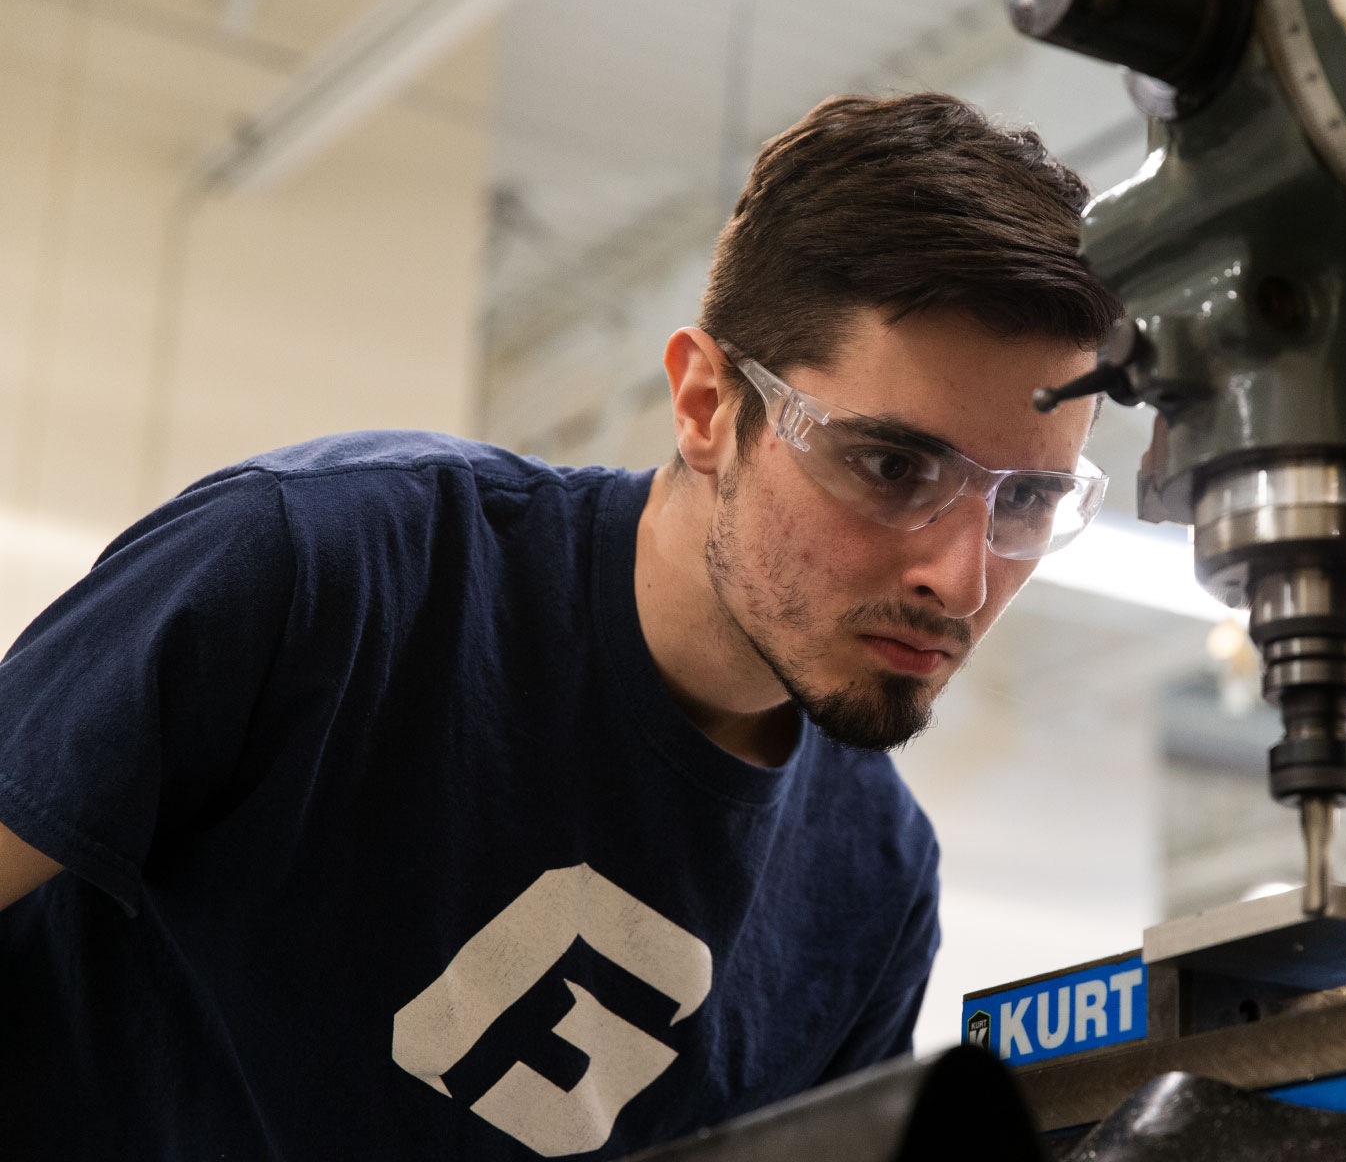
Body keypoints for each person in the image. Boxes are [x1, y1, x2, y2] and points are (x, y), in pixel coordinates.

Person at [0, 93, 1119, 1158]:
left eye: (1027, 501)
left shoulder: (873, 880)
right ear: (704, 405)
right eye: (889, 464)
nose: (961, 577)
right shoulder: (321, 572)